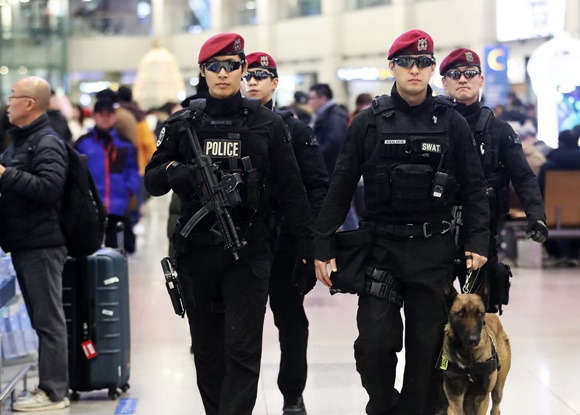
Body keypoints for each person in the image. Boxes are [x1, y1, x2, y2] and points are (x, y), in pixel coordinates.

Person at [313, 30, 490, 415]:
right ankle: (383, 405)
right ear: (391, 66)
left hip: (434, 250)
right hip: (382, 250)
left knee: (428, 349)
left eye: (424, 63)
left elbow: (474, 186)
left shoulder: (452, 122)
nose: (415, 69)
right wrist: (322, 243)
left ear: (431, 69)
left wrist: (477, 238)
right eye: (407, 62)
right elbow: (340, 186)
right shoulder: (368, 123)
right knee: (375, 344)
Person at [144, 33, 313, 415]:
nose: (223, 74)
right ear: (202, 72)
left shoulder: (267, 124)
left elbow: (293, 191)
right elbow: (151, 179)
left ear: (242, 70)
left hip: (249, 250)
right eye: (215, 67)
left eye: (232, 66)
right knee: (207, 348)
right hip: (196, 252)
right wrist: (176, 171)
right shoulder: (182, 123)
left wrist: (308, 250)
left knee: (242, 348)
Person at [244, 51, 329, 415]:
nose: (252, 82)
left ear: (275, 83)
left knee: (291, 322)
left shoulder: (296, 131)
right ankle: (237, 397)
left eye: (260, 76)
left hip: (286, 244)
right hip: (242, 243)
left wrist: (311, 244)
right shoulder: (229, 127)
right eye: (247, 75)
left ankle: (292, 394)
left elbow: (317, 187)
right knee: (240, 326)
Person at [440, 48, 548, 313]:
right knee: (434, 315)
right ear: (444, 82)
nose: (463, 79)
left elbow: (522, 176)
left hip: (483, 232)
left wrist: (536, 215)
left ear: (481, 80)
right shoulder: (433, 126)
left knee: (479, 318)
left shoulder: (498, 131)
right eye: (455, 74)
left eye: (470, 73)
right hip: (437, 233)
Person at [0, 76, 70, 412]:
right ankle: (51, 388)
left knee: (48, 321)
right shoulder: (20, 141)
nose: (7, 103)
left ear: (29, 103)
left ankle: (55, 392)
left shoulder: (46, 141)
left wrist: (4, 175)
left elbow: (49, 188)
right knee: (43, 319)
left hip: (42, 245)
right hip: (25, 243)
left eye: (12, 97)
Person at [75, 99, 141, 252]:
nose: (105, 118)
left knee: (119, 251)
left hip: (118, 204)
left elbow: (133, 169)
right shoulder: (83, 143)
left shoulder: (125, 144)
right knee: (92, 251)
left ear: (114, 116)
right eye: (101, 114)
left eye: (109, 114)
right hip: (92, 206)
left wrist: (129, 189)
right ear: (94, 116)